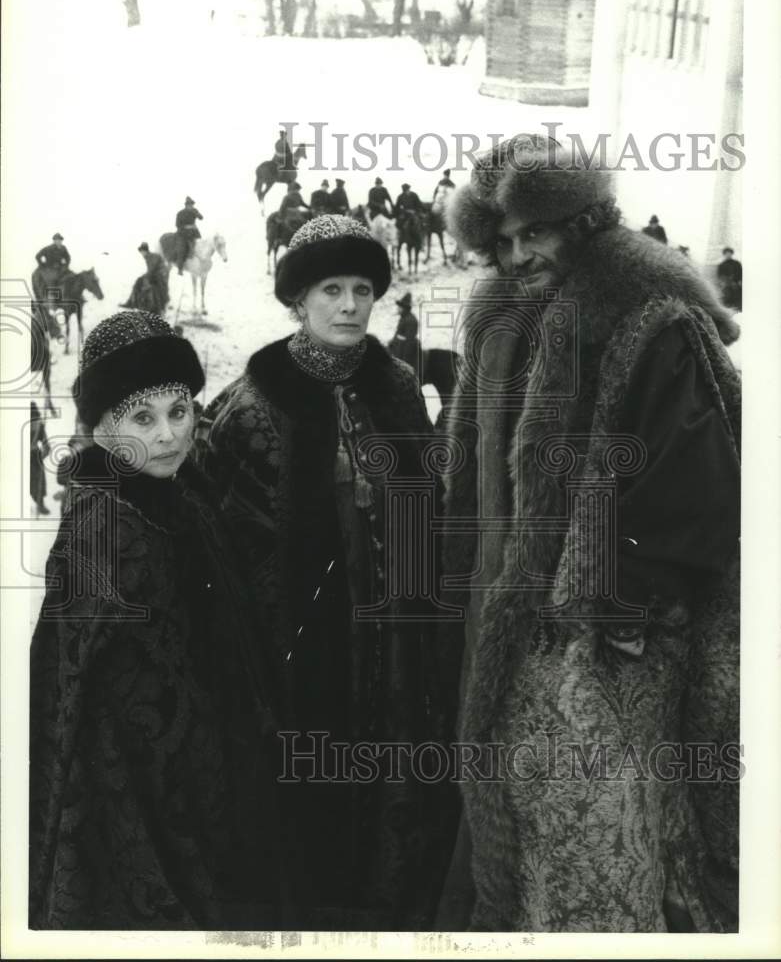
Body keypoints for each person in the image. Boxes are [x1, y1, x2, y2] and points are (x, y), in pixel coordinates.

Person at [439, 134, 741, 933]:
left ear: (582, 222)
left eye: (532, 233)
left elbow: (693, 490)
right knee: (521, 813)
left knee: (605, 830)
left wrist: (618, 605)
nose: (517, 256)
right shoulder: (498, 318)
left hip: (607, 637)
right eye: (501, 242)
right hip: (505, 620)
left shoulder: (652, 324)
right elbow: (465, 459)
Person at [193, 215, 461, 931]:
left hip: (396, 640)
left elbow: (429, 508)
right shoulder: (252, 405)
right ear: (298, 302)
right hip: (298, 652)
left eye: (362, 289)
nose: (349, 305)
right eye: (331, 289)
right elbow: (217, 541)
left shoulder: (399, 389)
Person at [29, 311, 278, 930]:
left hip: (212, 776)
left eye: (179, 410)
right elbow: (93, 708)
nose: (168, 435)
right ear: (104, 428)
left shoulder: (183, 497)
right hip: (141, 802)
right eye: (143, 418)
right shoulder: (104, 531)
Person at [121, 242, 169, 313]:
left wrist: (147, 277)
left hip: (160, 277)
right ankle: (132, 302)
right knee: (139, 281)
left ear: (146, 251)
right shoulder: (149, 257)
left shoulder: (152, 257)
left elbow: (152, 270)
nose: (142, 254)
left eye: (143, 252)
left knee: (147, 284)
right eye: (141, 252)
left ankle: (150, 306)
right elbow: (151, 271)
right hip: (156, 275)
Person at [388, 291, 421, 375]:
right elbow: (398, 334)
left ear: (404, 308)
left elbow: (409, 341)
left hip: (404, 350)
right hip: (398, 346)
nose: (397, 309)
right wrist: (391, 343)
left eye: (399, 307)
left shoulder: (411, 320)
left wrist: (404, 362)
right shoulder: (403, 318)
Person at [34, 233, 72, 305]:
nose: (59, 242)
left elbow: (68, 258)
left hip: (60, 268)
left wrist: (66, 265)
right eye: (57, 240)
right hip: (50, 269)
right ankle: (52, 298)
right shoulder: (48, 248)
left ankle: (69, 295)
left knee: (71, 276)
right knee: (52, 280)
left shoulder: (63, 248)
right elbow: (37, 256)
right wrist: (42, 265)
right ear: (54, 241)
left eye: (60, 240)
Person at [29, 402, 50, 516]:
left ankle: (40, 504)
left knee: (37, 481)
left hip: (33, 456)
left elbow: (47, 446)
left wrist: (40, 456)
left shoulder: (38, 425)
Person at [174, 196, 203, 276]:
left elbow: (201, 218)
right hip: (182, 234)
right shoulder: (180, 213)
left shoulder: (194, 211)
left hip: (193, 233)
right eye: (189, 205)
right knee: (181, 249)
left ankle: (201, 265)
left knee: (200, 247)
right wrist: (187, 227)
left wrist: (196, 213)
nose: (191, 206)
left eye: (192, 204)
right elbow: (177, 225)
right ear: (186, 205)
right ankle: (180, 269)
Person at [717, 246, 742, 312]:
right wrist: (723, 283)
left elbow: (740, 273)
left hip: (736, 283)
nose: (728, 255)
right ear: (724, 254)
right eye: (726, 253)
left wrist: (739, 281)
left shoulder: (737, 263)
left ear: (732, 254)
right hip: (727, 284)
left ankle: (738, 310)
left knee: (738, 297)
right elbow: (720, 276)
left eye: (729, 253)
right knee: (727, 297)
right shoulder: (721, 265)